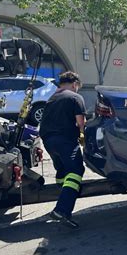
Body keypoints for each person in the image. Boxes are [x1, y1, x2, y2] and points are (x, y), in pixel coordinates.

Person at [39, 71, 85, 229]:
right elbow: (81, 123)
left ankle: (63, 192)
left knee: (63, 169)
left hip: (48, 141)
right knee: (76, 170)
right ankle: (62, 210)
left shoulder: (52, 98)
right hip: (65, 140)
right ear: (74, 84)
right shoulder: (74, 97)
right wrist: (84, 139)